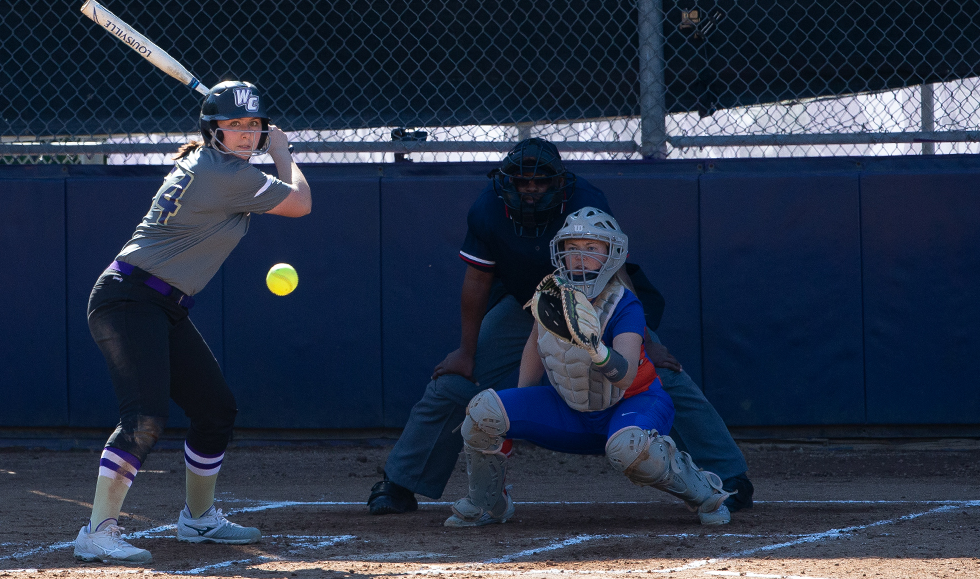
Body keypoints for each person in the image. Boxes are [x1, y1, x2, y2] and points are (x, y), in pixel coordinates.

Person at [368, 138, 753, 515]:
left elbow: (616, 269)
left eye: (540, 181)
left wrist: (647, 340)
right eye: (522, 181)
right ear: (507, 182)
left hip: (599, 299)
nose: (531, 189)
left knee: (658, 375)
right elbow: (477, 281)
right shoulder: (488, 208)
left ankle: (729, 477)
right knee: (457, 382)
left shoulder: (587, 199)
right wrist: (466, 352)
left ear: (559, 182)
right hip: (527, 304)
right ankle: (401, 483)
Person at [72, 80, 312, 564]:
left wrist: (264, 145)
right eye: (234, 125)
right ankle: (97, 531)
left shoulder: (217, 165)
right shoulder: (221, 173)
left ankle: (198, 520)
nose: (246, 134)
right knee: (143, 418)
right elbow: (300, 202)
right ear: (213, 131)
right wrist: (284, 153)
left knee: (215, 409)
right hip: (130, 298)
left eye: (253, 125)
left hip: (161, 303)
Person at [446, 207, 732, 527]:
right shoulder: (550, 291)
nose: (580, 257)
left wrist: (595, 348)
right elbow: (535, 344)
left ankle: (704, 491)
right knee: (484, 411)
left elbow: (623, 375)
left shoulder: (624, 303)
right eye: (572, 248)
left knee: (629, 448)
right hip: (572, 409)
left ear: (612, 254)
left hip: (631, 404)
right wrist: (519, 406)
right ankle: (487, 502)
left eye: (592, 249)